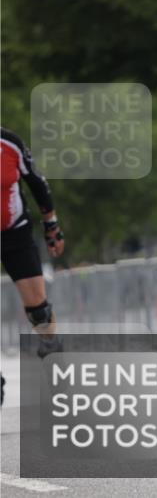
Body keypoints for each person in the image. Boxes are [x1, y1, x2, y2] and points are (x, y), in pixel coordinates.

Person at [1, 127, 66, 371]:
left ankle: (52, 352)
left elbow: (37, 183)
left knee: (39, 309)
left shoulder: (9, 143)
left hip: (14, 232)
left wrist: (51, 226)